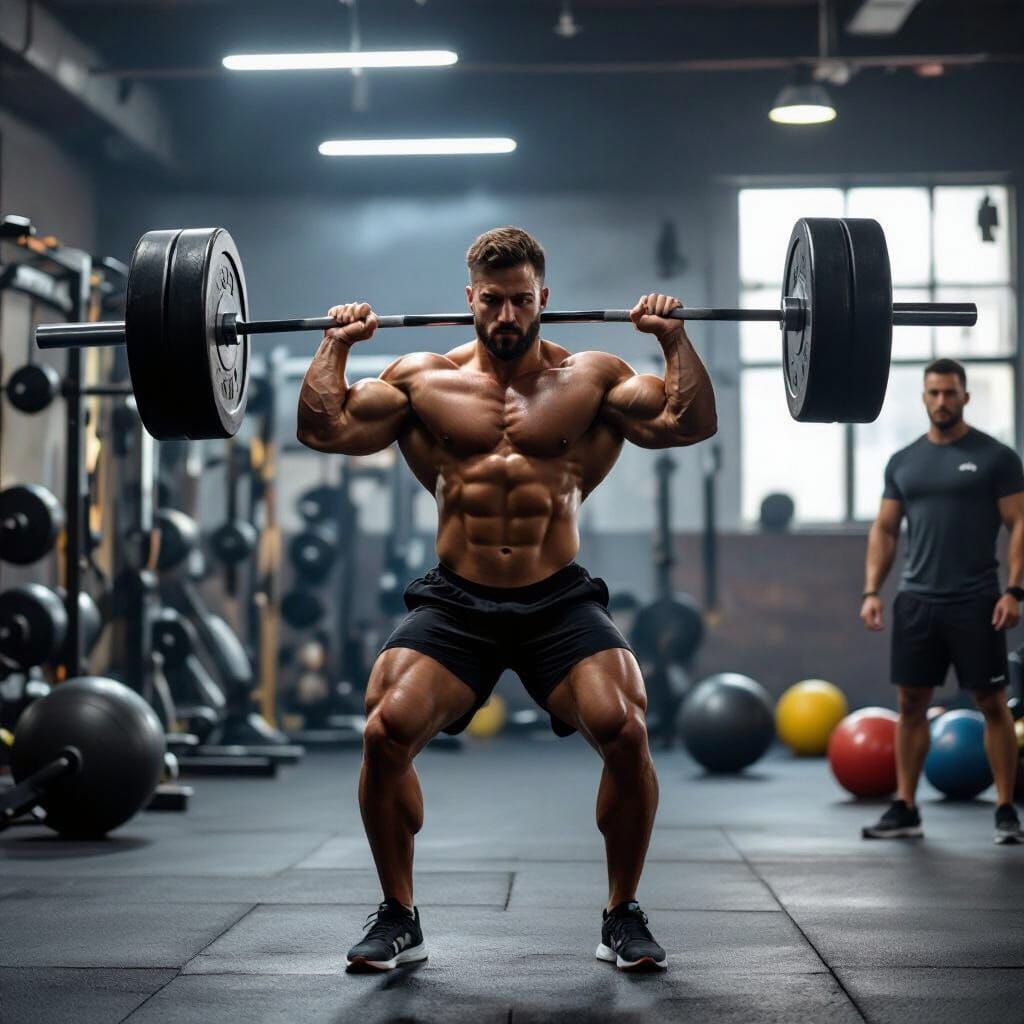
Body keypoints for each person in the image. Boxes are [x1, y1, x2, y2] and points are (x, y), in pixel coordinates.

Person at [297, 226, 717, 972]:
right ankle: (400, 914)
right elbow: (323, 428)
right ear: (470, 300)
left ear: (544, 299)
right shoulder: (423, 379)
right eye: (493, 301)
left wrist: (673, 342)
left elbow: (689, 422)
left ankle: (622, 915)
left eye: (522, 300)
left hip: (556, 600)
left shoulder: (590, 377)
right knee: (383, 732)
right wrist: (335, 346)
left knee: (624, 730)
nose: (507, 316)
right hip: (458, 602)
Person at [859, 358, 1024, 845]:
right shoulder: (905, 461)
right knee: (910, 704)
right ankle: (907, 805)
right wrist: (872, 590)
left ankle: (1005, 810)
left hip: (977, 598)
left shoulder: (996, 458)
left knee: (992, 702)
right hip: (917, 601)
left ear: (965, 397)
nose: (941, 401)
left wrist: (1015, 589)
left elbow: (1020, 525)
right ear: (924, 397)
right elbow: (885, 529)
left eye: (950, 393)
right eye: (933, 393)